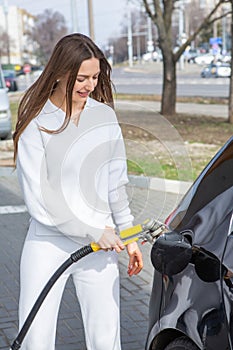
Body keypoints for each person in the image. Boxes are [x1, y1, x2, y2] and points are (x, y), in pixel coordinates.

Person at [13, 33, 143, 350]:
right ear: (59, 73)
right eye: (81, 78)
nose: (89, 85)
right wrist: (93, 230)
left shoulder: (104, 117)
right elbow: (40, 200)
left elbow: (115, 184)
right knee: (36, 339)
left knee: (106, 338)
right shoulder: (37, 123)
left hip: (100, 246)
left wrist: (129, 235)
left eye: (95, 77)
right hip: (48, 242)